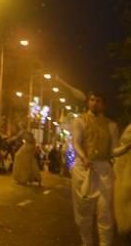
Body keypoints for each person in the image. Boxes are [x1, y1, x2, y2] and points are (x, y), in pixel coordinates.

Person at [71, 91, 122, 246]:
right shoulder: (80, 121)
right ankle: (87, 243)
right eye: (92, 100)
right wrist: (84, 157)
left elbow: (114, 150)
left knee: (105, 213)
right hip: (83, 169)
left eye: (98, 100)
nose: (94, 103)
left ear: (104, 105)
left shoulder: (111, 125)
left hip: (104, 170)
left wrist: (126, 147)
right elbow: (76, 142)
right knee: (84, 214)